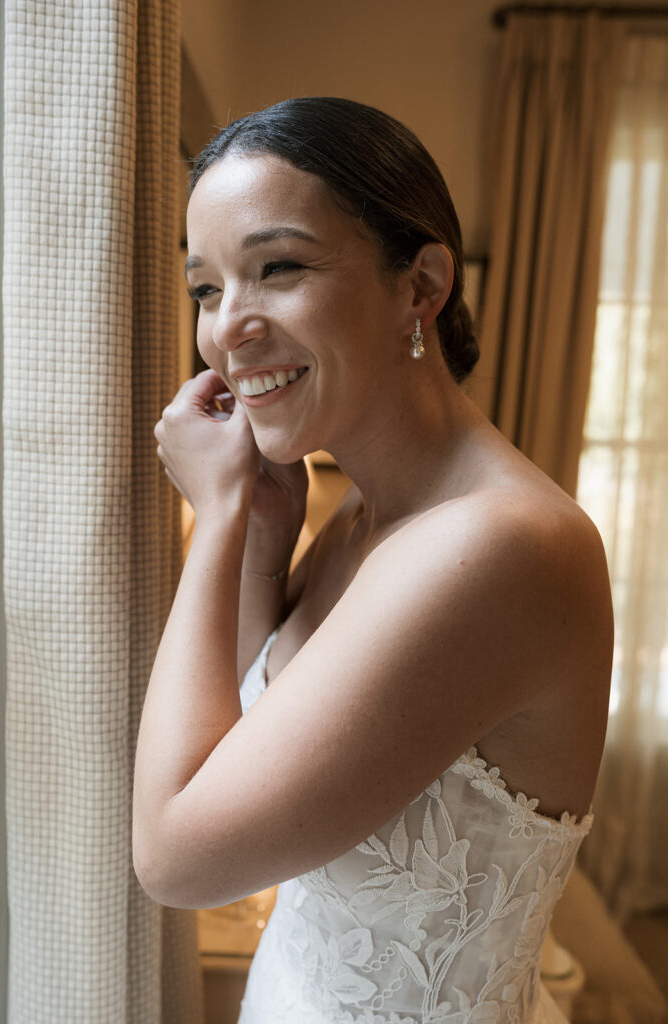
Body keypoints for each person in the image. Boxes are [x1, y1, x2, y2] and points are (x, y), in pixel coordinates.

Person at [132, 97, 613, 1024]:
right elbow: (231, 743)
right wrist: (262, 548)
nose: (228, 327)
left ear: (421, 283)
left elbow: (174, 858)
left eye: (276, 268)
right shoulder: (363, 513)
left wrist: (222, 509)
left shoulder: (495, 546)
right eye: (205, 287)